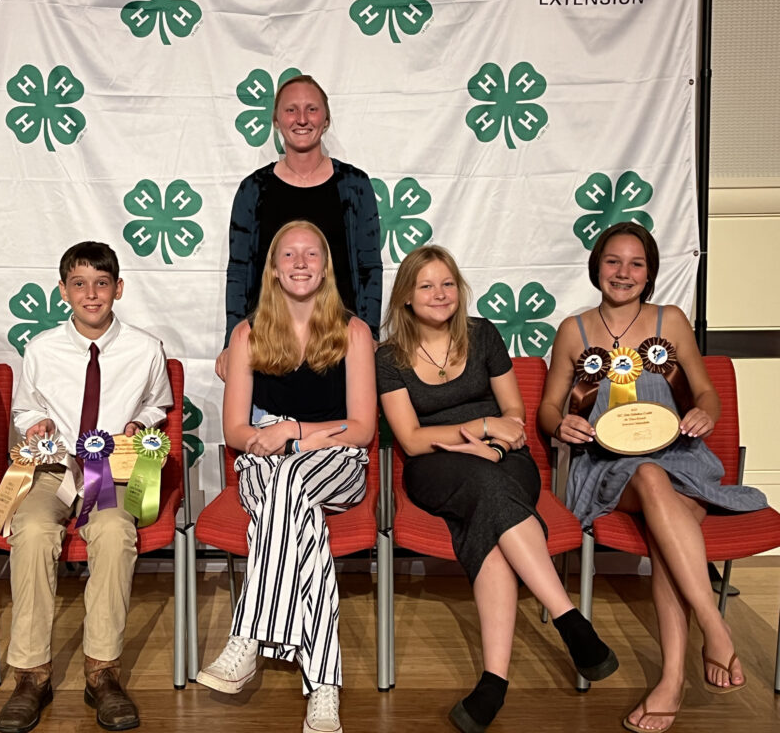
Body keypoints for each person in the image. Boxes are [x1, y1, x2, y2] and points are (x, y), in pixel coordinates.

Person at [376, 245, 618, 733]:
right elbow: (412, 438)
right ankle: (570, 621)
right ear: (405, 297)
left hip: (506, 459)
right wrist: (475, 431)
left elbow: (515, 415)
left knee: (487, 510)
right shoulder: (389, 357)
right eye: (426, 285)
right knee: (485, 492)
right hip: (436, 466)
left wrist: (496, 440)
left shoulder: (483, 333)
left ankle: (494, 682)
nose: (439, 294)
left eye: (447, 284)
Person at [538, 223, 767, 733]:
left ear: (651, 272)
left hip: (681, 458)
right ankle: (715, 625)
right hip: (607, 466)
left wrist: (706, 414)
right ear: (597, 266)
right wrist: (563, 422)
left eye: (636, 263)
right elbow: (549, 408)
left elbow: (706, 394)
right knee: (646, 473)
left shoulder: (672, 321)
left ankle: (671, 681)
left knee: (668, 521)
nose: (623, 273)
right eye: (613, 262)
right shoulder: (573, 330)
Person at [196, 221, 376, 733]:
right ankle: (324, 690)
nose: (300, 263)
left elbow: (361, 428)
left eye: (311, 254)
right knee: (300, 516)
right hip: (264, 462)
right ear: (273, 268)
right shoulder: (248, 333)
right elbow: (235, 430)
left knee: (292, 481)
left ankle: (247, 638)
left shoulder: (354, 331)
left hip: (337, 462)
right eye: (289, 255)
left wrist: (294, 433)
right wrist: (277, 441)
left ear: (326, 265)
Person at [0, 241, 172, 733]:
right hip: (54, 468)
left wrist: (139, 423)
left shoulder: (145, 348)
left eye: (101, 283)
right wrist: (36, 423)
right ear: (63, 291)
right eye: (79, 284)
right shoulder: (42, 348)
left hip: (111, 469)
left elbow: (157, 404)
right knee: (30, 530)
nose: (90, 294)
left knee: (115, 532)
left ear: (118, 288)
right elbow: (25, 408)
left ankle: (102, 670)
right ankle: (31, 674)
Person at [217, 74, 382, 379]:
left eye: (312, 109)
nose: (302, 119)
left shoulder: (355, 185)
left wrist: (370, 334)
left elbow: (369, 266)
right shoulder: (253, 189)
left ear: (327, 120)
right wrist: (232, 342)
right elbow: (240, 271)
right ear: (276, 121)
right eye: (291, 110)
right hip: (269, 342)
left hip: (339, 342)